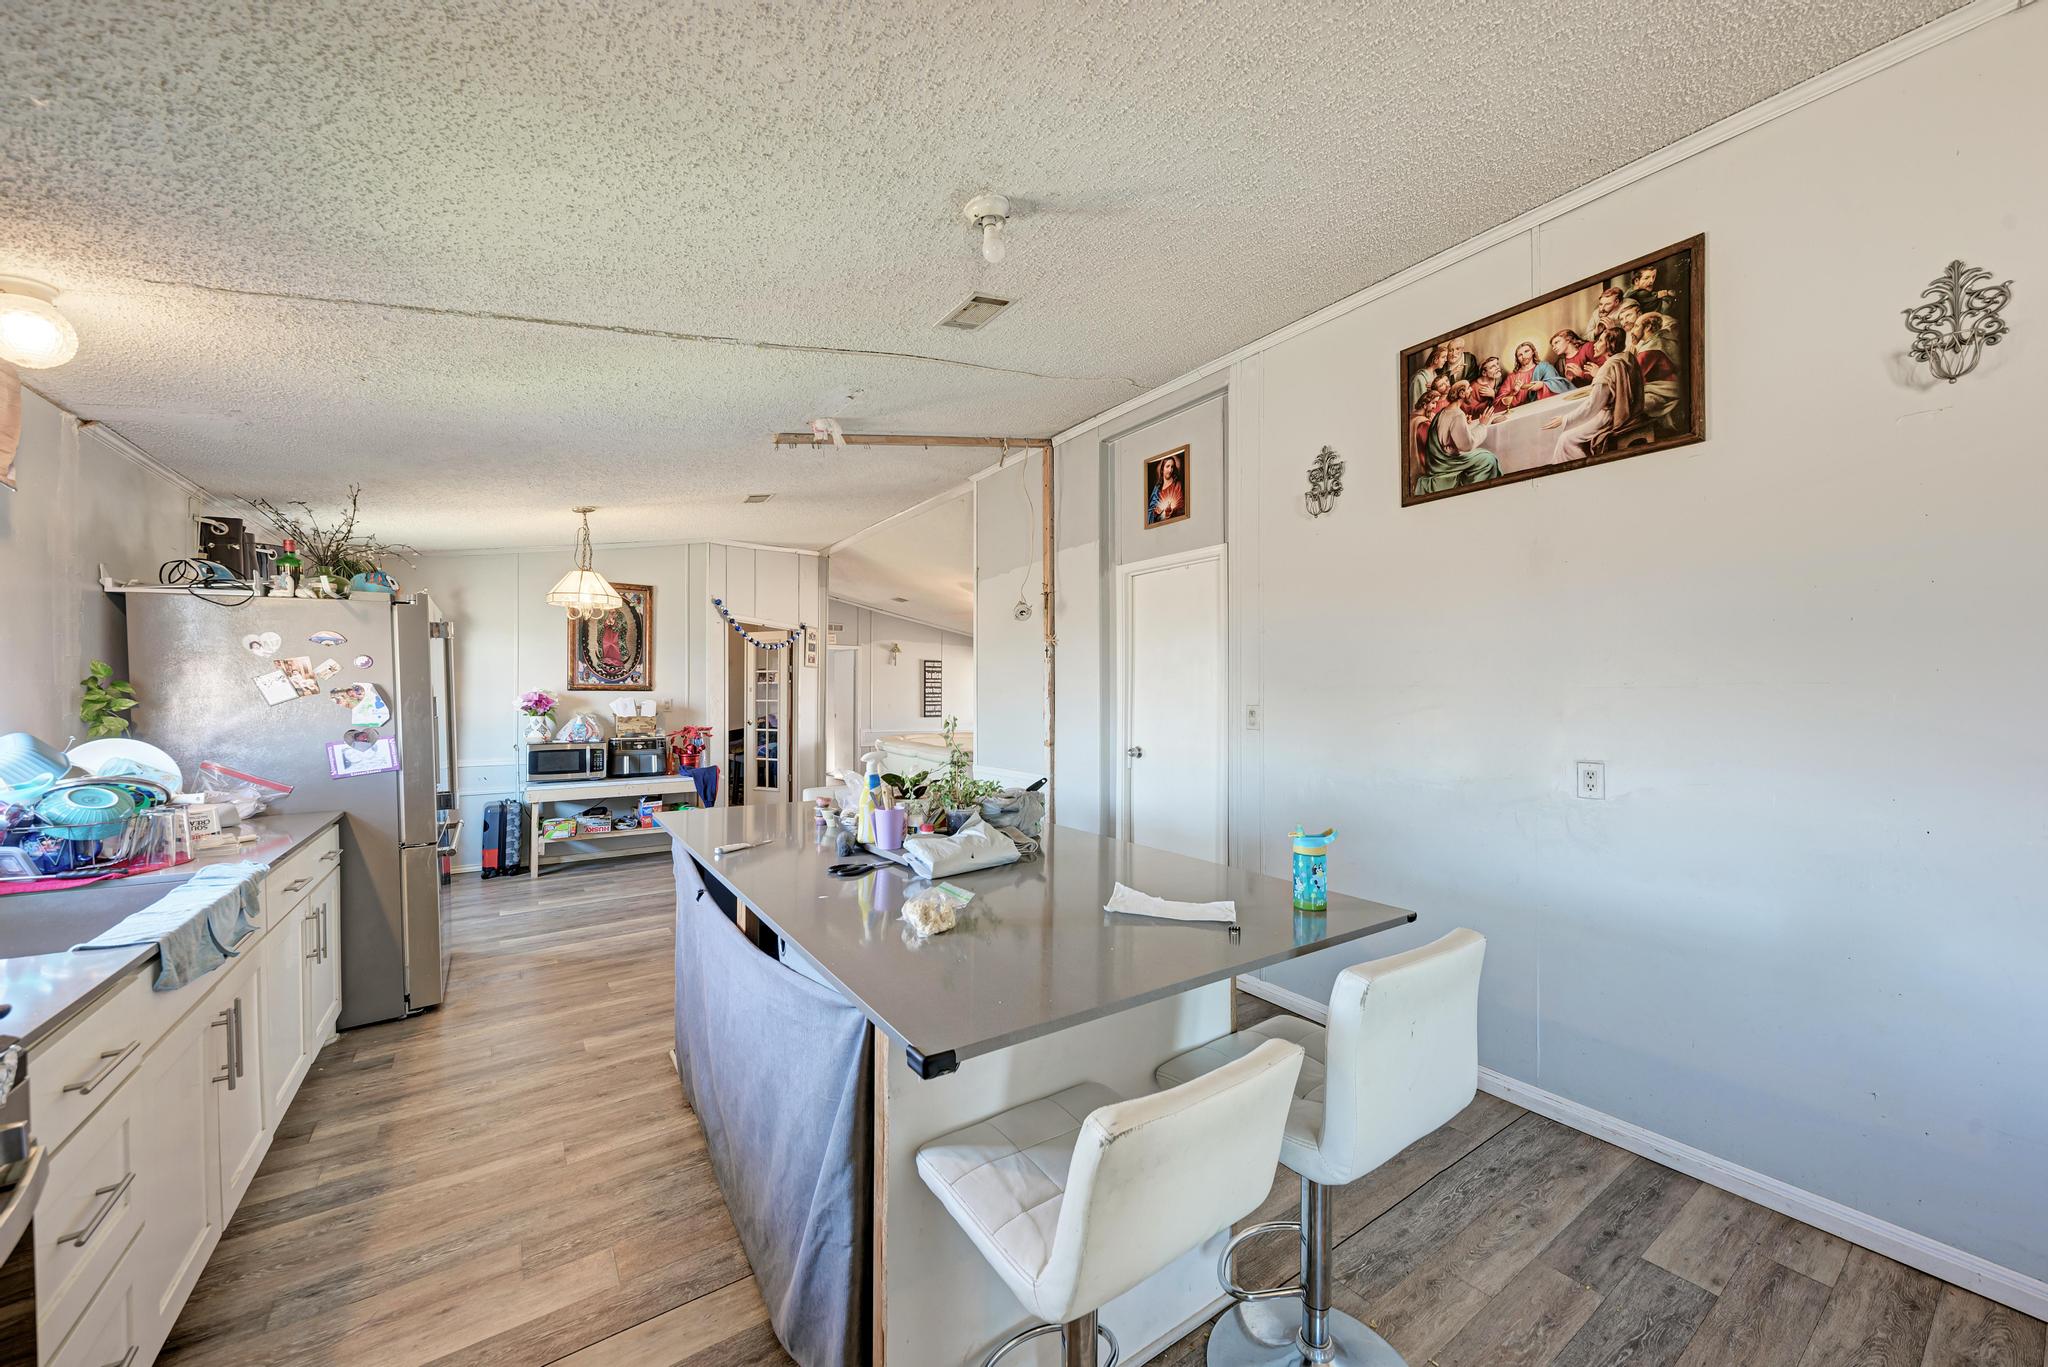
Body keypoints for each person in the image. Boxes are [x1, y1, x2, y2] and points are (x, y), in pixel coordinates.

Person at [1544, 326, 1646, 461]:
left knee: (1565, 438)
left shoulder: (1606, 369)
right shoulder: (1625, 357)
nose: (1594, 345)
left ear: (1611, 344)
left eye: (1600, 342)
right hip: (1628, 410)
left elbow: (1593, 406)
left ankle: (1585, 467)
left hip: (1612, 416)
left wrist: (1565, 418)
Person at [1415, 381, 1504, 495]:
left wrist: (1466, 426)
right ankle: (1473, 490)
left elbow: (1450, 437)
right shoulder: (1457, 414)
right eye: (1468, 389)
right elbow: (1467, 445)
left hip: (1437, 460)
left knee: (1484, 455)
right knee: (1488, 459)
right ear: (1462, 393)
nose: (1471, 390)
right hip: (1447, 461)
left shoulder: (1443, 412)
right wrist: (1482, 425)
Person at [1634, 313, 1682, 431]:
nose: (1632, 331)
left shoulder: (1650, 349)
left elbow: (1633, 377)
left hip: (1664, 391)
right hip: (1663, 387)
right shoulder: (1660, 339)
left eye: (1636, 326)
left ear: (1648, 327)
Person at [1494, 341, 1573, 411]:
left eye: (1526, 351)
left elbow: (1560, 385)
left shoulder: (1545, 367)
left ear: (1533, 352)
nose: (1524, 356)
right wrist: (1513, 392)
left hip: (1546, 408)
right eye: (1520, 355)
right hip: (1523, 413)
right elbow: (1497, 405)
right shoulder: (1512, 377)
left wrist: (1542, 385)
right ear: (1517, 359)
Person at [1148, 451, 1186, 524]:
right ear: (1162, 469)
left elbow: (1181, 506)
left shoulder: (1177, 485)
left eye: (1172, 467)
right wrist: (1156, 511)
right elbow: (1150, 510)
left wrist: (1172, 510)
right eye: (1167, 466)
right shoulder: (1157, 488)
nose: (1170, 470)